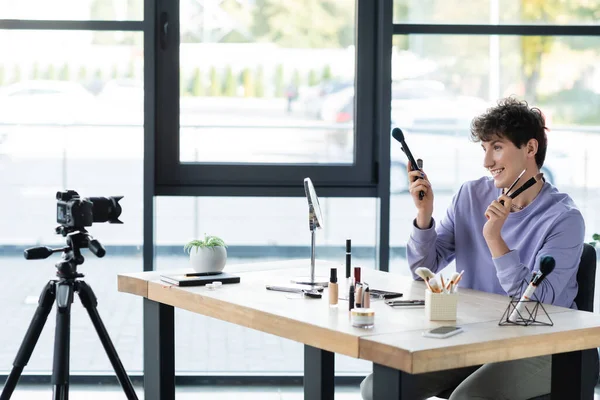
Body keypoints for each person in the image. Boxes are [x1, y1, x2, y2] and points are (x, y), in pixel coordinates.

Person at [361, 97, 590, 400]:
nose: (486, 162)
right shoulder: (470, 195)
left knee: (468, 398)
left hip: (545, 346)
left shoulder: (564, 219)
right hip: (475, 338)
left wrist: (495, 239)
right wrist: (424, 214)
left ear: (530, 148)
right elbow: (422, 270)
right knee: (377, 388)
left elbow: (537, 305)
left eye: (497, 147)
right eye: (484, 149)